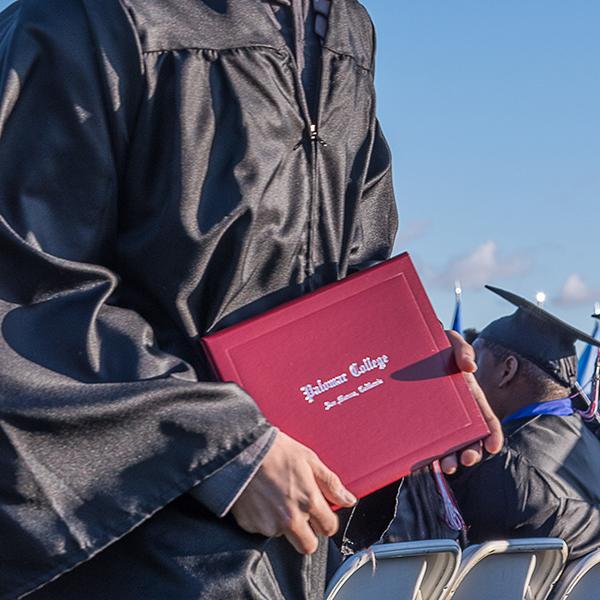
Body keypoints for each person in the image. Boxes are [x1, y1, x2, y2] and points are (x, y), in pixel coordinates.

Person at [0, 0, 501, 598]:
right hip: (139, 538)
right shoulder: (88, 18)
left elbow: (355, 265)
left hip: (293, 538)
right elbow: (26, 290)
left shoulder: (341, 27)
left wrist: (409, 376)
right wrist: (224, 447)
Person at [450, 286, 600, 560]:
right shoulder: (590, 439)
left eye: (476, 360)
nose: (466, 375)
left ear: (507, 370)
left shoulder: (503, 469)